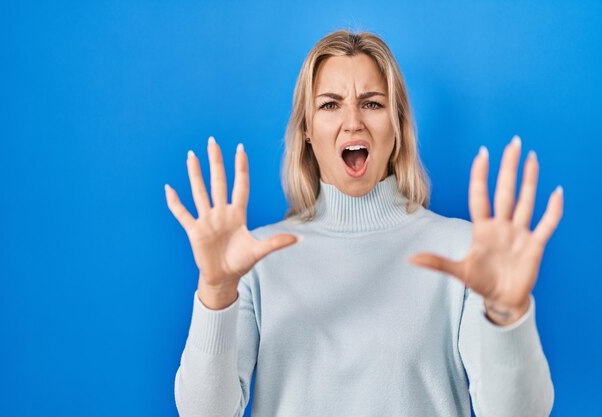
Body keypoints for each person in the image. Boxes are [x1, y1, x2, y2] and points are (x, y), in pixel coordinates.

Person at [164, 30, 563, 417]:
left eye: (372, 103)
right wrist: (215, 292)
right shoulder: (254, 262)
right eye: (330, 105)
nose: (353, 121)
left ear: (398, 127)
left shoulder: (464, 252)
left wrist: (507, 316)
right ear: (306, 130)